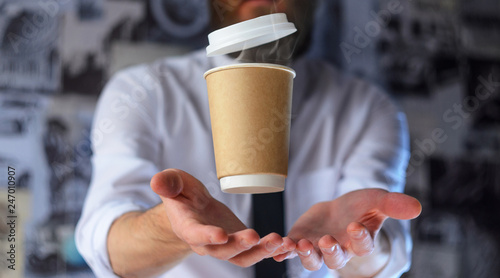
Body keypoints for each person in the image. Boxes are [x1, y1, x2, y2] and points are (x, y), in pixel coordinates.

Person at [76, 0, 422, 277]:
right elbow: (107, 245)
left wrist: (357, 242)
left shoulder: (368, 109)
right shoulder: (140, 93)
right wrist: (173, 228)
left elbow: (384, 259)